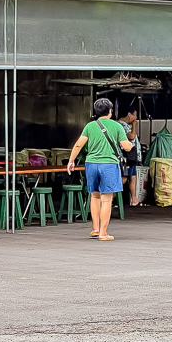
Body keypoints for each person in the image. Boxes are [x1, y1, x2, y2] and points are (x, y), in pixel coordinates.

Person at [67, 98, 133, 241]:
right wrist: (131, 144)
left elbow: (78, 145)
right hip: (108, 165)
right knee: (107, 199)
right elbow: (126, 147)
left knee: (94, 196)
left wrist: (71, 161)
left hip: (91, 164)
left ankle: (95, 229)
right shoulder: (116, 126)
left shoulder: (90, 126)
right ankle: (103, 233)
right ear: (110, 111)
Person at [117, 106, 143, 207]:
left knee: (133, 176)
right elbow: (131, 137)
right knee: (124, 178)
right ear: (129, 114)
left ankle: (134, 199)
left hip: (131, 156)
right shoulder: (121, 125)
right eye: (135, 115)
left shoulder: (125, 125)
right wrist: (134, 125)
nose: (135, 118)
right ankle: (110, 197)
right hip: (126, 156)